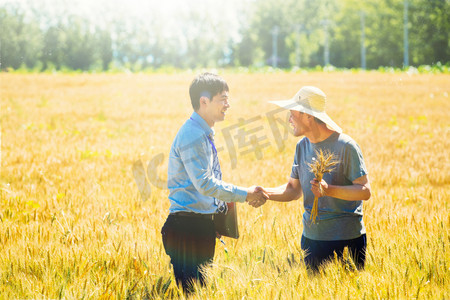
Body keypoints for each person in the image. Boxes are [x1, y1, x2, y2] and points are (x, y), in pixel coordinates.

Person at [161, 72, 267, 292]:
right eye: (223, 99)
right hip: (188, 229)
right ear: (204, 101)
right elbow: (205, 184)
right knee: (193, 292)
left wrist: (213, 219)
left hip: (196, 225)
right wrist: (246, 194)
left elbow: (204, 186)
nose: (228, 104)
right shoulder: (194, 135)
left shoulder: (201, 132)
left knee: (198, 291)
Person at [262, 86, 371, 272]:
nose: (289, 119)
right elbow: (293, 189)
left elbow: (365, 191)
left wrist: (328, 190)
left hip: (346, 239)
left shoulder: (346, 146)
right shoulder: (302, 146)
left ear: (308, 116)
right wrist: (263, 192)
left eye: (292, 113)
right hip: (312, 239)